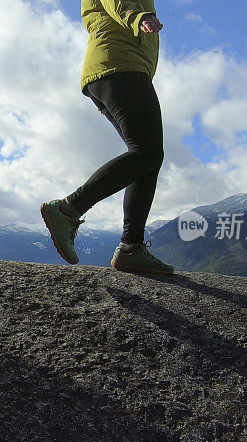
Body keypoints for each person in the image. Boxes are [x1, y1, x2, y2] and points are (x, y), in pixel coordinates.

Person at [41, 0, 173, 274]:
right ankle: (68, 210)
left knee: (147, 158)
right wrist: (139, 16)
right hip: (121, 67)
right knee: (147, 153)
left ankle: (131, 248)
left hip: (112, 71)